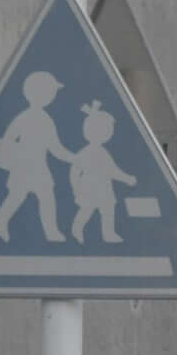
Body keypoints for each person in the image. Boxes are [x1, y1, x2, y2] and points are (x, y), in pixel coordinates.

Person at [0, 71, 71, 240]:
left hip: (34, 168)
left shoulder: (30, 118)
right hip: (27, 167)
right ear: (45, 94)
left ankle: (49, 231)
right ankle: (2, 221)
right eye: (52, 92)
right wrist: (74, 158)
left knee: (36, 197)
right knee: (31, 197)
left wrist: (72, 158)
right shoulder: (39, 119)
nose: (53, 95)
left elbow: (54, 148)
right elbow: (55, 148)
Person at [66, 101, 126, 246]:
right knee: (87, 209)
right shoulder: (85, 153)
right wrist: (76, 187)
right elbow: (74, 170)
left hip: (104, 188)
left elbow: (112, 170)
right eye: (107, 129)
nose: (109, 132)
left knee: (108, 209)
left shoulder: (103, 153)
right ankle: (77, 228)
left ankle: (108, 233)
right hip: (90, 188)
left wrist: (126, 178)